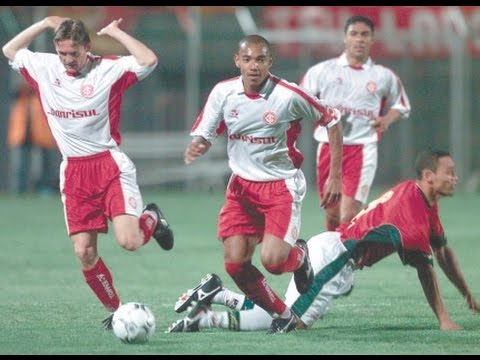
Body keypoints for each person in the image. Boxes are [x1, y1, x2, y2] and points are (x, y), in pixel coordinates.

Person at [168, 150, 479, 332]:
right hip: (333, 260)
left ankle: (217, 293)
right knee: (290, 324)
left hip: (330, 251)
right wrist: (444, 319)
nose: (454, 177)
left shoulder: (422, 201)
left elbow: (442, 252)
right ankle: (207, 319)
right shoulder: (411, 210)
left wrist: (465, 293)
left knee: (281, 311)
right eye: (448, 172)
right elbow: (426, 265)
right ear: (428, 176)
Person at [2, 16, 174, 328]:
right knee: (84, 252)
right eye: (63, 53)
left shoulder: (108, 68)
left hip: (109, 166)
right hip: (74, 173)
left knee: (130, 242)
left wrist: (117, 32)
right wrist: (43, 24)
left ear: (87, 48)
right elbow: (10, 49)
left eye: (75, 53)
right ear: (56, 49)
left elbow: (148, 59)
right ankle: (118, 310)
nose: (68, 60)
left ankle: (153, 219)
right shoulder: (45, 67)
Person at [183, 34, 344, 334]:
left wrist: (335, 175)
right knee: (235, 264)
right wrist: (200, 145)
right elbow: (206, 131)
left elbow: (332, 120)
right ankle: (283, 315)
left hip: (280, 186)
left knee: (272, 261)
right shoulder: (223, 92)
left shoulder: (288, 95)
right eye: (247, 59)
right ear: (237, 61)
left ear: (270, 62)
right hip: (241, 188)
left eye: (260, 59)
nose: (253, 66)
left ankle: (300, 256)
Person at [300, 15, 411, 231]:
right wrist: (317, 115)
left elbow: (402, 105)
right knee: (332, 212)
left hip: (362, 148)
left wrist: (387, 119)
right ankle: (331, 256)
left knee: (349, 212)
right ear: (345, 38)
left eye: (364, 35)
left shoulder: (383, 76)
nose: (359, 39)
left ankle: (345, 262)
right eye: (354, 34)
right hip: (328, 148)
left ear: (372, 40)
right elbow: (300, 100)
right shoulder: (322, 71)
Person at [7, 77, 60, 195]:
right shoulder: (20, 95)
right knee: (20, 165)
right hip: (22, 134)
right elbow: (15, 93)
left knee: (46, 163)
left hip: (42, 133)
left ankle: (45, 189)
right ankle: (19, 190)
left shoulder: (44, 93)